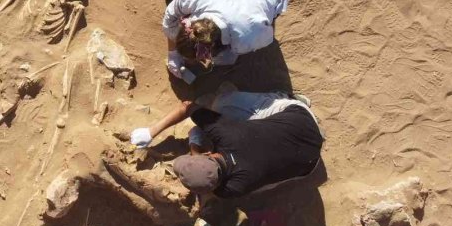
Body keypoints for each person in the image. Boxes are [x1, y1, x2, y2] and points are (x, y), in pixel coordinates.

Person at [129, 86, 323, 198]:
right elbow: (188, 106)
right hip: (301, 121)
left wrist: (194, 147)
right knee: (222, 103)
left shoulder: (230, 189)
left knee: (223, 103)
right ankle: (287, 99)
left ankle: (285, 99)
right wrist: (152, 131)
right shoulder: (227, 134)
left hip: (308, 164)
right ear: (208, 154)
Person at [163, 0, 288, 81]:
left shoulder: (246, 38)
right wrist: (173, 53)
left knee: (238, 53)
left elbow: (267, 36)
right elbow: (169, 19)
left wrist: (223, 58)